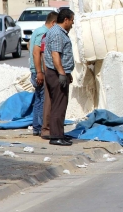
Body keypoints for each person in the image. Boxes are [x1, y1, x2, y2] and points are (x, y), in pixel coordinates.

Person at [43, 9, 75, 146]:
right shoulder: (57, 33)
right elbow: (55, 55)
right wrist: (62, 73)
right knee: (58, 105)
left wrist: (67, 73)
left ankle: (59, 133)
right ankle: (56, 136)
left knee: (60, 104)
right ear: (66, 19)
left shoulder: (57, 32)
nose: (73, 24)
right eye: (72, 20)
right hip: (56, 74)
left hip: (60, 73)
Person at [29, 11, 58, 137]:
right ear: (53, 23)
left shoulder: (37, 30)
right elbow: (36, 53)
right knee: (43, 100)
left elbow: (29, 46)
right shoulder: (43, 33)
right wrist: (39, 72)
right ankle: (40, 127)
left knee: (39, 99)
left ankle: (36, 127)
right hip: (39, 71)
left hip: (36, 70)